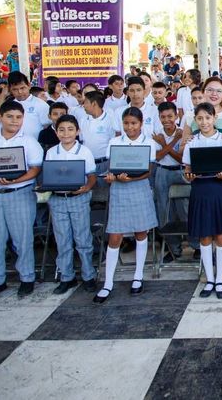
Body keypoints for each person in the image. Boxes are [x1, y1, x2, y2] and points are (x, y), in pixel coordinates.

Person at [0, 100, 43, 299]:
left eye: (19, 117)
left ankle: (27, 278)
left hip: (19, 194)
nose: (14, 121)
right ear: (0, 118)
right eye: (10, 117)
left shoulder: (29, 142)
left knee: (23, 239)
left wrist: (15, 180)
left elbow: (35, 169)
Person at [94, 107, 159, 304]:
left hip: (139, 188)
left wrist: (129, 179)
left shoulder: (148, 142)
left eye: (133, 123)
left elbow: (148, 171)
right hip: (119, 191)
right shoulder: (114, 142)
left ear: (140, 124)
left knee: (141, 232)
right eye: (126, 123)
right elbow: (110, 168)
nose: (129, 127)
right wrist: (113, 177)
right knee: (115, 236)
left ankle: (138, 276)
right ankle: (108, 282)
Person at [183, 102, 222, 299]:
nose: (204, 122)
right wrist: (188, 176)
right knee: (205, 237)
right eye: (200, 118)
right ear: (195, 121)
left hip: (220, 190)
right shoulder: (192, 142)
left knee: (221, 236)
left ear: (214, 118)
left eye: (208, 117)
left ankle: (220, 279)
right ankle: (210, 278)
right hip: (200, 190)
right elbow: (187, 170)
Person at [46, 115, 98, 294]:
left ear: (77, 131)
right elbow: (50, 175)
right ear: (56, 131)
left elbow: (91, 176)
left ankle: (88, 275)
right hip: (58, 199)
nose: (66, 133)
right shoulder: (52, 152)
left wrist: (86, 188)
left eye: (70, 129)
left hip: (78, 199)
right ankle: (66, 277)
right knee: (62, 240)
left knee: (83, 238)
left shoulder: (84, 151)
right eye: (61, 129)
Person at [152, 102, 187, 262]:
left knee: (185, 209)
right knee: (164, 211)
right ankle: (174, 249)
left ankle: (196, 246)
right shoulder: (156, 134)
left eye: (170, 116)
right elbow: (158, 157)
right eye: (163, 117)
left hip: (180, 172)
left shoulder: (182, 133)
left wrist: (165, 145)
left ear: (176, 116)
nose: (167, 120)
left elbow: (181, 158)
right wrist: (170, 143)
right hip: (162, 172)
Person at [0, 71, 52, 138]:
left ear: (29, 85)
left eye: (22, 88)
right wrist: (3, 95)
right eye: (15, 89)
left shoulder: (41, 104)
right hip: (13, 145)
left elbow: (49, 125)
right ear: (9, 89)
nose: (20, 92)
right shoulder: (9, 104)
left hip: (34, 145)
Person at [79, 91, 115, 176]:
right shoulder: (83, 120)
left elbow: (113, 144)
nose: (83, 105)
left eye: (86, 102)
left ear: (94, 103)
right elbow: (81, 141)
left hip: (104, 164)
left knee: (103, 189)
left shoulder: (110, 120)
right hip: (86, 164)